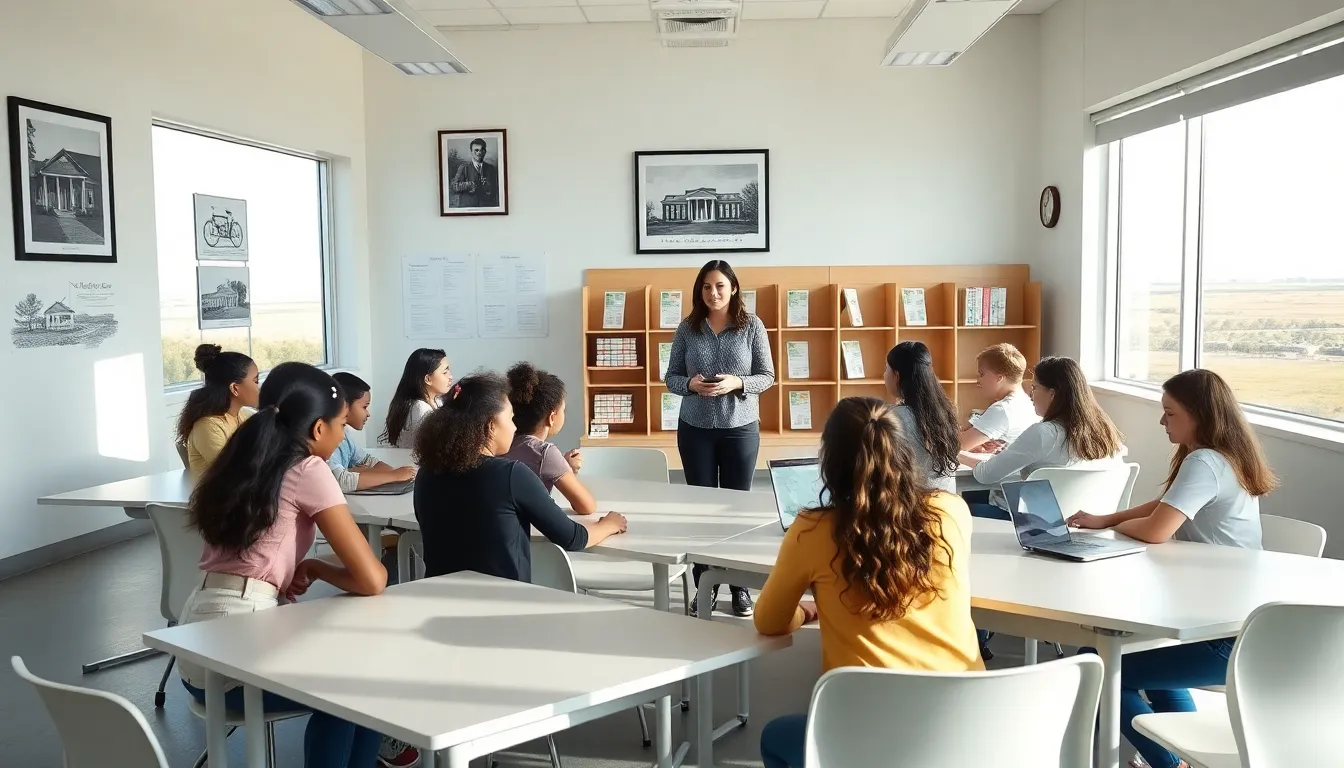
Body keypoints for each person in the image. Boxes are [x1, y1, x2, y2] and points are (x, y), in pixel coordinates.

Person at [179, 362, 390, 768]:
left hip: (199, 637)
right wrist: (316, 569)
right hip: (241, 648)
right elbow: (372, 578)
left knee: (356, 678)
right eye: (342, 424)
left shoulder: (239, 457)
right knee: (359, 686)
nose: (344, 433)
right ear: (317, 430)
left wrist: (308, 565)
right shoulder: (310, 468)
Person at [753, 397, 982, 768]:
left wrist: (805, 612)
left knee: (777, 736)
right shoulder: (951, 511)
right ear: (904, 452)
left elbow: (768, 621)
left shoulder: (812, 530)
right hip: (962, 726)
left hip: (865, 736)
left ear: (830, 461)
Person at [1068, 369, 1276, 768]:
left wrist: (1119, 527)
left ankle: (1168, 764)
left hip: (1227, 634)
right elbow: (1164, 506)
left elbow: (1157, 529)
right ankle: (1182, 760)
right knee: (1145, 659)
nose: (1162, 421)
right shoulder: (1223, 456)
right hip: (1238, 617)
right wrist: (1106, 519)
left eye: (1170, 413)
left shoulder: (1206, 461)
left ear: (1199, 414)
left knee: (1099, 664)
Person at [413, 373, 628, 583]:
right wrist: (609, 524)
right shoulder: (512, 474)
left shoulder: (426, 473)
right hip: (504, 604)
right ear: (490, 426)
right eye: (510, 418)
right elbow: (573, 537)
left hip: (440, 600)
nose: (515, 427)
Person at [665, 259, 776, 618]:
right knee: (701, 512)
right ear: (700, 291)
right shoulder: (687, 327)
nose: (713, 293)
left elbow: (768, 375)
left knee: (735, 511)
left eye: (720, 287)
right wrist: (690, 385)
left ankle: (739, 587)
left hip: (740, 428)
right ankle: (704, 586)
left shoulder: (752, 326)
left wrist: (738, 382)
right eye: (707, 287)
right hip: (694, 428)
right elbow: (671, 378)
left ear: (734, 289)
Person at [959, 356, 1124, 518]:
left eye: (1035, 387)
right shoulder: (1107, 432)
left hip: (1040, 524)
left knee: (957, 508)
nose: (1031, 395)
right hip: (1090, 523)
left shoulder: (1043, 433)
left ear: (1052, 394)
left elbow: (986, 475)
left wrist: (956, 453)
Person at [958, 342, 1040, 520]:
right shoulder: (1024, 402)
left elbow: (959, 444)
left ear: (999, 377)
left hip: (1008, 504)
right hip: (1022, 496)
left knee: (951, 507)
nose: (977, 380)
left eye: (982, 374)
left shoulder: (1003, 409)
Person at [504, 362, 595, 514]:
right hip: (533, 532)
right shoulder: (545, 453)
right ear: (552, 417)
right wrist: (568, 471)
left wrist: (563, 466)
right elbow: (586, 506)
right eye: (563, 410)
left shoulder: (501, 443)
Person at [884, 341, 960, 494]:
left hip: (913, 510)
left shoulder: (894, 417)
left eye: (887, 369)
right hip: (947, 507)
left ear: (897, 375)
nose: (884, 375)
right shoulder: (945, 411)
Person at [176, 344, 259, 473]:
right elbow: (235, 473)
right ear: (235, 388)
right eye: (256, 381)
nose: (258, 388)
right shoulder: (207, 427)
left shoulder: (244, 415)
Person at [329, 372, 417, 492]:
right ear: (344, 405)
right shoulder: (328, 440)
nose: (368, 414)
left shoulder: (345, 435)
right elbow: (340, 481)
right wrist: (394, 476)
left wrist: (397, 474)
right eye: (365, 407)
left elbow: (367, 460)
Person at [381, 348, 453, 449]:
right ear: (428, 379)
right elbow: (440, 443)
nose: (450, 377)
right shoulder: (419, 407)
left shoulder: (437, 401)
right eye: (445, 372)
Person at [450, 138, 499, 208]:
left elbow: (496, 191)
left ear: (485, 151)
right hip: (467, 208)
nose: (479, 152)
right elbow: (454, 187)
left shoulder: (491, 169)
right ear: (471, 152)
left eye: (482, 150)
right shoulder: (463, 168)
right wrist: (468, 185)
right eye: (476, 150)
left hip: (486, 209)